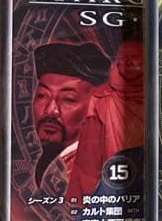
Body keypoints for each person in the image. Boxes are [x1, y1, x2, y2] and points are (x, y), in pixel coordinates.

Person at [65, 34, 144, 205]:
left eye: (135, 57)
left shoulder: (159, 98)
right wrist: (92, 197)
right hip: (112, 188)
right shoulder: (101, 97)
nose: (127, 62)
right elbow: (89, 156)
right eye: (122, 58)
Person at [32, 41, 111, 191]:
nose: (50, 110)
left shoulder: (93, 168)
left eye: (68, 99)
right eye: (42, 95)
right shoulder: (53, 162)